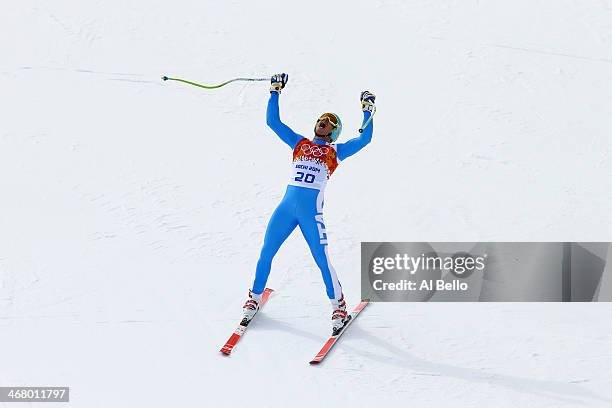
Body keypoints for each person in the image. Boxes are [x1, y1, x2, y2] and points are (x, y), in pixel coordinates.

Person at [242, 73, 375, 335]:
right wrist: (275, 90)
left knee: (321, 259)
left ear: (334, 131)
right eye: (320, 119)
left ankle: (338, 306)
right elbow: (273, 121)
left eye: (329, 122)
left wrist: (368, 110)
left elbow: (365, 139)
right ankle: (254, 297)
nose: (323, 122)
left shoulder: (336, 151)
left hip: (310, 214)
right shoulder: (300, 144)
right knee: (266, 251)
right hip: (286, 209)